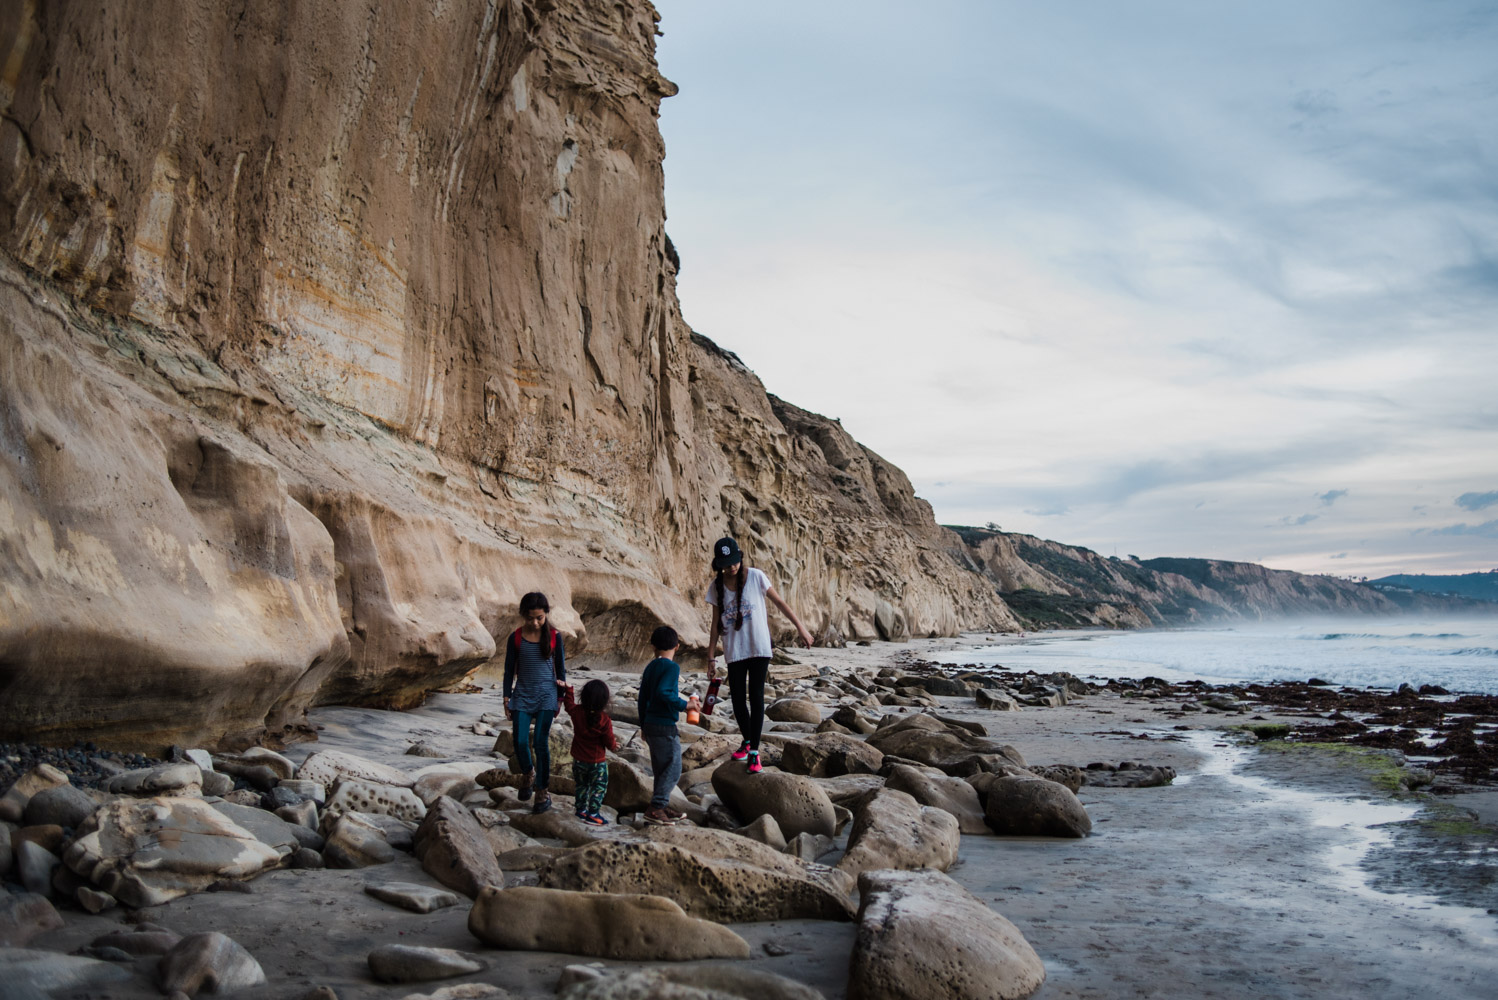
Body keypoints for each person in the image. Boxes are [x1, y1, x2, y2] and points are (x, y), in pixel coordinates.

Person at [704, 536, 813, 774]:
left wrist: (801, 628)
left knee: (756, 697)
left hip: (759, 648)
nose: (732, 566)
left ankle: (754, 752)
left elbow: (780, 603)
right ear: (719, 563)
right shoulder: (716, 587)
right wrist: (711, 657)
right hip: (734, 650)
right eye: (726, 563)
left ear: (740, 557)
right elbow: (714, 625)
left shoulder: (756, 576)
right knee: (737, 701)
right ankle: (748, 740)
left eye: (734, 561)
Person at [502, 592, 566, 814]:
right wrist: (506, 696)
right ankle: (528, 773)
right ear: (523, 616)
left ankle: (542, 790)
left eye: (540, 617)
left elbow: (561, 670)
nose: (536, 622)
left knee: (540, 742)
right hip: (522, 695)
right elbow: (509, 669)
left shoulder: (555, 637)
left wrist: (560, 697)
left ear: (546, 614)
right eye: (531, 618)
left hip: (547, 695)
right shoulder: (516, 638)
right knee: (519, 742)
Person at [637, 624, 696, 825]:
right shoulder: (672, 667)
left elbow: (642, 697)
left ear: (653, 646)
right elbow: (664, 693)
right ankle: (656, 807)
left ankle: (660, 805)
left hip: (651, 724)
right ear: (677, 647)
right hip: (664, 725)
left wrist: (643, 725)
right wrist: (685, 705)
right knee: (673, 767)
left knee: (661, 768)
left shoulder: (650, 667)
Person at [562, 678, 619, 825]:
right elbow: (609, 740)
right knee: (599, 787)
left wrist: (569, 690)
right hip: (597, 762)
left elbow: (568, 705)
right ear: (605, 701)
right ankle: (593, 813)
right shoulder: (604, 720)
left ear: (584, 696)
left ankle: (581, 810)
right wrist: (614, 746)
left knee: (581, 785)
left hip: (579, 760)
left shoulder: (577, 712)